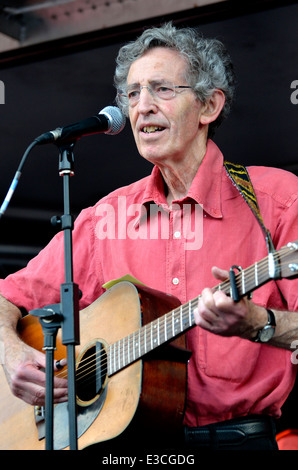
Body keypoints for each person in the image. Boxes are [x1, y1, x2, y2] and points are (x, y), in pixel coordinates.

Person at [0, 22, 298, 451]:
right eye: (133, 93)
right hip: (126, 449)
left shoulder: (278, 201)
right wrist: (12, 353)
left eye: (161, 89)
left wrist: (260, 324)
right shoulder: (104, 218)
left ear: (209, 106)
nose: (142, 107)